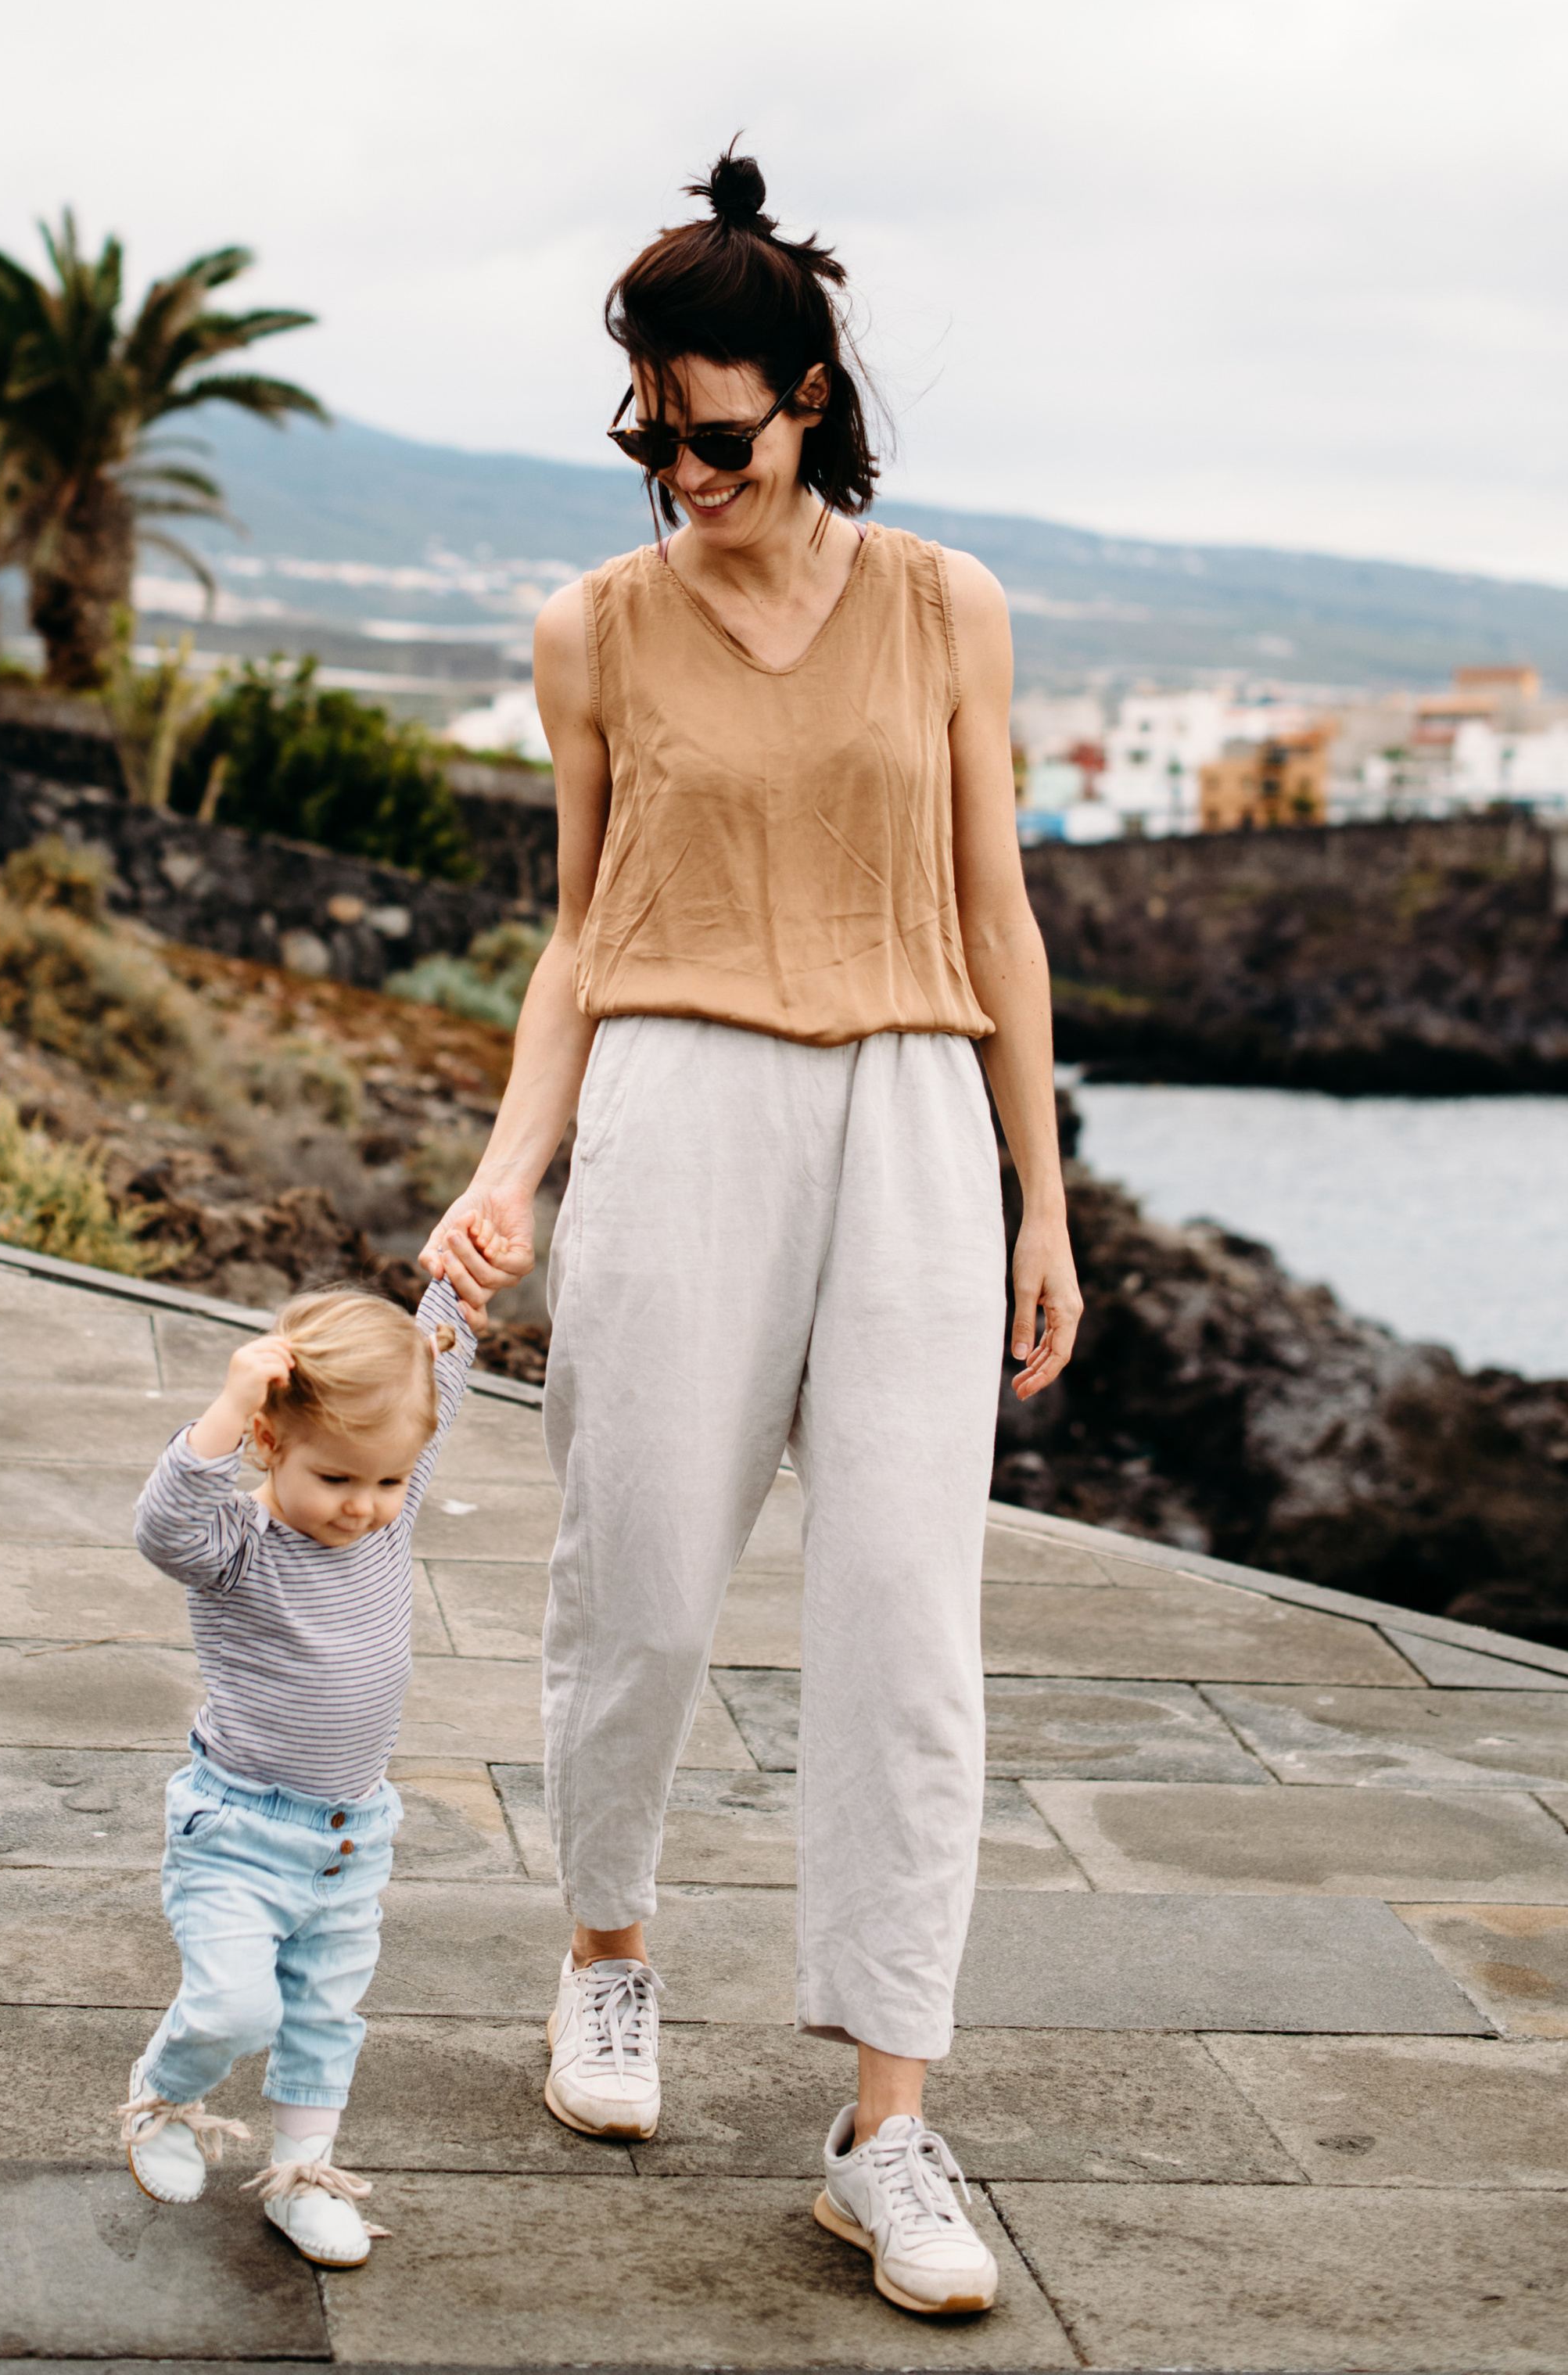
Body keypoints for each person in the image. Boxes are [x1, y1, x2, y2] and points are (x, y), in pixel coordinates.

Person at [419, 148, 1082, 2321]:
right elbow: (577, 938)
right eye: (651, 431)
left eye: (719, 433)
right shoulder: (590, 632)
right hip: (677, 1100)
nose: (682, 471)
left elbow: (997, 908)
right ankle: (605, 1958)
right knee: (640, 1582)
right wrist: (518, 1165)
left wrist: (1037, 1196)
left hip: (908, 1111)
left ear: (811, 400)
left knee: (911, 1627)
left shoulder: (947, 607)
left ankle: (886, 2125)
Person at [126, 1267, 497, 2266]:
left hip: (349, 1838)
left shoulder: (386, 1504)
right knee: (237, 2007)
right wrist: (230, 1398)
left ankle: (300, 2174)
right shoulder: (235, 1543)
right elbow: (159, 1527)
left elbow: (433, 1379)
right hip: (237, 1827)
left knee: (326, 2018)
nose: (364, 1507)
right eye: (336, 1480)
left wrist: (460, 1284)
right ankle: (162, 2095)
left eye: (384, 1482)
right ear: (270, 1443)